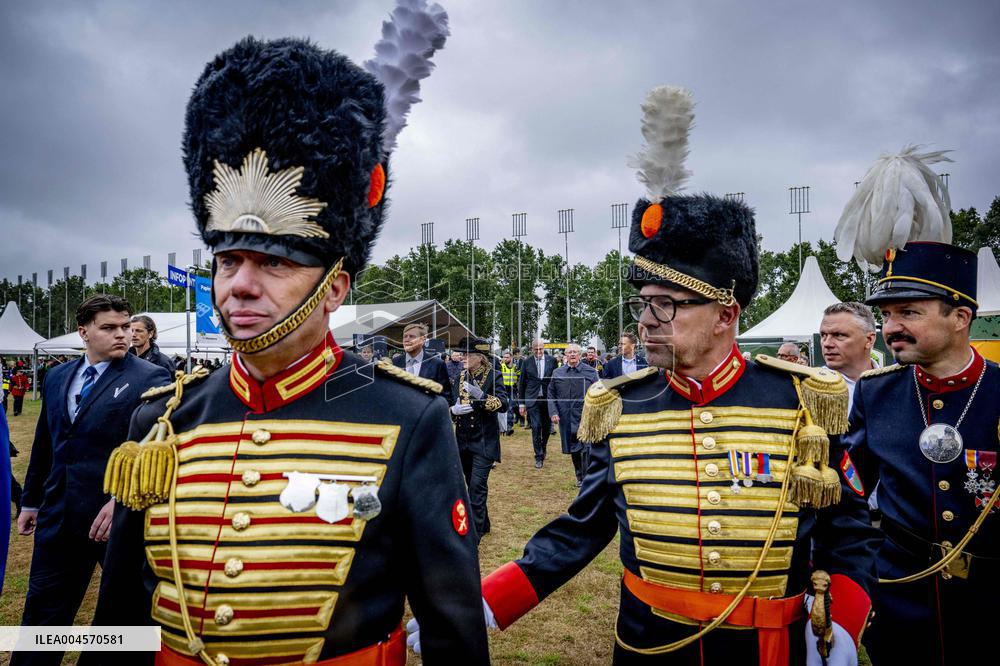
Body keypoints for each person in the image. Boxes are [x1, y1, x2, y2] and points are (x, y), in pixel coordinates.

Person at [439, 86, 878, 665]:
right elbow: (583, 527)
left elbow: (848, 531)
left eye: (667, 303)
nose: (646, 319)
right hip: (649, 645)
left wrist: (843, 625)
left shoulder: (800, 401)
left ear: (726, 314)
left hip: (767, 649)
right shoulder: (619, 405)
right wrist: (488, 603)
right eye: (643, 302)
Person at [93, 24, 488, 666]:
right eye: (228, 262)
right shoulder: (160, 418)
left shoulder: (410, 418)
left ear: (334, 288)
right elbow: (118, 622)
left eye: (273, 265)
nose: (240, 286)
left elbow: (451, 625)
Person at [836, 200, 1000, 659]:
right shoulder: (877, 392)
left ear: (960, 317)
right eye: (887, 315)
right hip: (900, 600)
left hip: (989, 605)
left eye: (908, 312)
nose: (892, 328)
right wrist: (860, 572)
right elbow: (849, 492)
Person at [12, 296, 171, 666]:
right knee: (42, 613)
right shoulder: (57, 377)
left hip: (115, 520)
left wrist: (120, 500)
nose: (124, 335)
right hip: (59, 515)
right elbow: (46, 443)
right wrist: (32, 500)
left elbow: (156, 449)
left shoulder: (151, 377)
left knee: (122, 616)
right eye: (110, 328)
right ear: (84, 332)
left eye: (126, 326)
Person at [450, 336, 508, 541]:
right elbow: (451, 404)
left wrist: (481, 397)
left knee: (477, 485)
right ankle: (484, 522)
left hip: (485, 441)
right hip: (463, 440)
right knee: (470, 484)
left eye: (466, 354)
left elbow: (504, 403)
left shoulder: (495, 375)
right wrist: (453, 410)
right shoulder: (459, 377)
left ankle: (475, 532)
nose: (462, 357)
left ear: (479, 357)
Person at [547, 343, 599, 486]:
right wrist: (553, 412)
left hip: (586, 416)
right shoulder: (557, 373)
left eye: (575, 352)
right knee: (574, 448)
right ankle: (579, 476)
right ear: (565, 355)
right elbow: (551, 394)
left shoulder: (591, 372)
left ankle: (587, 477)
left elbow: (599, 393)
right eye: (569, 352)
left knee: (587, 447)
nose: (572, 355)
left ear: (579, 354)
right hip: (566, 417)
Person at [819, 302, 877, 411]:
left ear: (869, 340)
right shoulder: (808, 388)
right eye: (823, 335)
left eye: (839, 335)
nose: (826, 343)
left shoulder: (896, 385)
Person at [392, 322, 453, 404]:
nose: (407, 339)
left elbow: (446, 397)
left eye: (412, 336)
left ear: (423, 339)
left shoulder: (437, 364)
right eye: (405, 336)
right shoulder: (394, 363)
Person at [518, 339, 557, 469]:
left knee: (546, 427)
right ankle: (538, 456)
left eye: (541, 349)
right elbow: (522, 383)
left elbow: (555, 381)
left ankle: (543, 447)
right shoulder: (526, 362)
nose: (539, 352)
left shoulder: (552, 361)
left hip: (547, 399)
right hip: (532, 399)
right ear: (532, 349)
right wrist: (521, 404)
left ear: (543, 348)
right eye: (536, 349)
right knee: (536, 426)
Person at [500, 351, 519, 435]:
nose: (505, 359)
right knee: (505, 407)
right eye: (504, 357)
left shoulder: (516, 367)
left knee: (511, 407)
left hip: (513, 389)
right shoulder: (501, 366)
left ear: (511, 358)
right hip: (503, 389)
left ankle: (509, 426)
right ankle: (504, 426)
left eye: (507, 357)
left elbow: (520, 377)